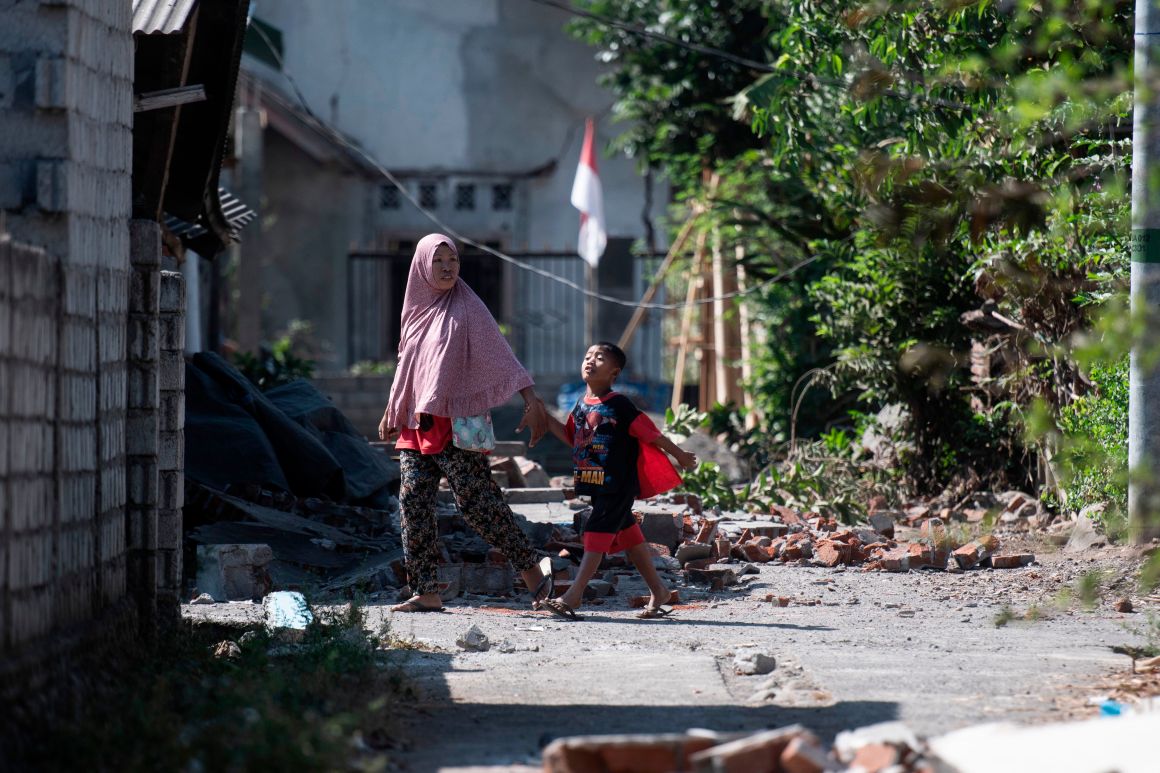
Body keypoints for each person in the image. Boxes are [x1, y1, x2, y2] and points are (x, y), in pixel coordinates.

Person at [379, 234, 552, 613]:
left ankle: (534, 573)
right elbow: (408, 365)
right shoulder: (415, 310)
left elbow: (500, 356)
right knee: (413, 504)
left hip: (457, 424)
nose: (446, 268)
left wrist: (530, 399)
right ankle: (425, 590)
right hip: (417, 423)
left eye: (452, 260)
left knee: (477, 504)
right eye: (438, 260)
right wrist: (395, 407)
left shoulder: (469, 307)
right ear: (423, 265)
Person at [539, 342, 698, 620]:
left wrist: (680, 455)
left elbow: (651, 434)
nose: (590, 360)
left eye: (599, 358)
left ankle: (573, 595)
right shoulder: (579, 404)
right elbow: (570, 437)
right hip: (594, 484)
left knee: (595, 531)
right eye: (587, 356)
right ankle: (659, 591)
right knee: (628, 534)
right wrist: (541, 414)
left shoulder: (619, 404)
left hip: (618, 483)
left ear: (613, 373)